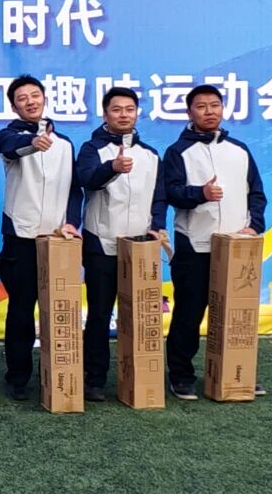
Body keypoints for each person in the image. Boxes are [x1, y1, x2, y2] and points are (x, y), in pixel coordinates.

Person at [163, 84, 267, 401]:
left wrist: (254, 226)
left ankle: (237, 373)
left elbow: (257, 193)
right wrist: (201, 193)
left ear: (223, 109)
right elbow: (171, 193)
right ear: (189, 112)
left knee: (237, 316)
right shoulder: (178, 152)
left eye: (215, 105)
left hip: (236, 246)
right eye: (201, 106)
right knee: (189, 313)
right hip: (195, 245)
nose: (209, 111)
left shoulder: (239, 150)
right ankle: (181, 376)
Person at [75, 86, 166, 402]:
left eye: (129, 109)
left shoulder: (150, 154)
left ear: (137, 113)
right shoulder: (92, 149)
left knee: (139, 315)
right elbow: (86, 179)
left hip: (139, 246)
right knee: (100, 314)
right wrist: (111, 168)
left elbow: (159, 196)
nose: (123, 115)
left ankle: (139, 379)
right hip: (101, 243)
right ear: (105, 114)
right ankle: (94, 379)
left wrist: (157, 225)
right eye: (117, 109)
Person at [0, 74, 82, 401]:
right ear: (14, 106)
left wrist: (71, 222)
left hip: (59, 240)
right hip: (21, 237)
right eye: (22, 98)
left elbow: (74, 189)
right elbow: (12, 148)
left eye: (35, 95)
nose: (30, 101)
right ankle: (18, 377)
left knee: (59, 309)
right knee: (21, 308)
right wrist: (34, 143)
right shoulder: (8, 135)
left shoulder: (65, 143)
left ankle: (59, 374)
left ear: (45, 98)